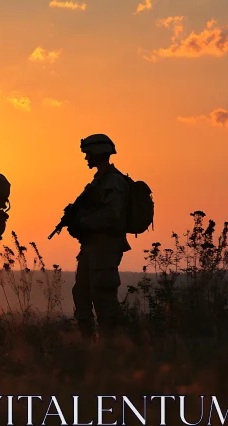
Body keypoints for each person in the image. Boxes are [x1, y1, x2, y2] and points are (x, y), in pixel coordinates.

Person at [67, 134, 131, 339]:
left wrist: (83, 223)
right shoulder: (99, 181)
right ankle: (87, 344)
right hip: (92, 246)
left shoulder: (113, 181)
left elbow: (111, 214)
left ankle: (114, 345)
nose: (86, 158)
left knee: (103, 295)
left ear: (98, 152)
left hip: (105, 246)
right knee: (82, 293)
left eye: (88, 154)